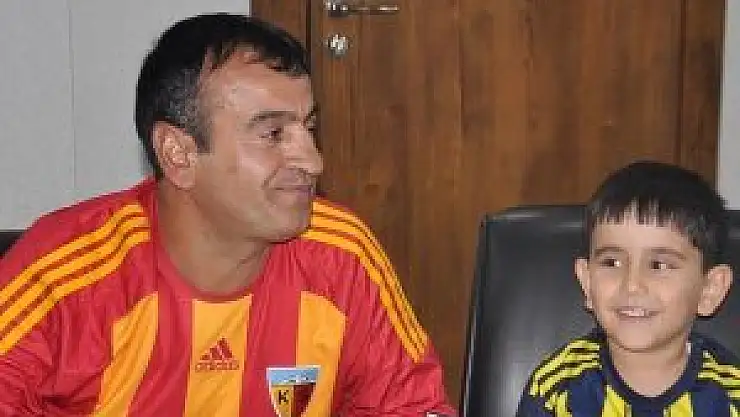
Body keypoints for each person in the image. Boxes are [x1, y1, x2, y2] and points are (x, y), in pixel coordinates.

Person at [0, 13, 456, 416]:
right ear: (178, 153)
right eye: (273, 134)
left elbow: (411, 404)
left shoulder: (342, 255)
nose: (313, 161)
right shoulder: (63, 276)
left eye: (309, 127)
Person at [516, 161, 740, 416]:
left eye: (658, 265)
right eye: (612, 262)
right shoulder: (556, 389)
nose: (632, 284)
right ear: (587, 282)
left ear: (710, 289)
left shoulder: (731, 395)